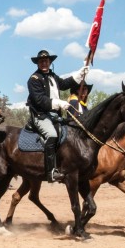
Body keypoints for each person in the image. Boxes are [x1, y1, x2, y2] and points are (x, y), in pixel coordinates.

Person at [26, 50, 89, 183]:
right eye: (41, 61)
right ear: (38, 63)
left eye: (46, 61)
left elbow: (65, 84)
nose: (44, 63)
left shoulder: (53, 76)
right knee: (52, 135)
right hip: (40, 115)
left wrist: (80, 73)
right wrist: (58, 103)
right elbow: (39, 100)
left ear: (50, 62)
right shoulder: (33, 80)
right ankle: (51, 172)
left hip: (55, 115)